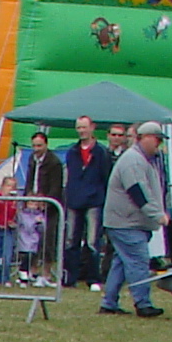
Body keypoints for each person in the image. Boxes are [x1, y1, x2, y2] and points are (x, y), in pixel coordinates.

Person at [99, 119, 168, 317]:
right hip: (127, 222)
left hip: (125, 221)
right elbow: (138, 192)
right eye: (156, 139)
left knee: (121, 263)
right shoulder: (133, 161)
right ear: (143, 138)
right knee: (138, 261)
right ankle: (142, 303)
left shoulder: (140, 159)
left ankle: (109, 302)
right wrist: (158, 215)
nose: (159, 144)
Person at [60, 114, 111, 285]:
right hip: (74, 200)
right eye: (79, 128)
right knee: (70, 241)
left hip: (94, 201)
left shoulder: (101, 152)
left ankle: (93, 278)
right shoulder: (72, 152)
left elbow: (106, 177)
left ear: (92, 127)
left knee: (92, 241)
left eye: (84, 127)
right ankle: (69, 278)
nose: (81, 131)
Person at [14, 128, 63, 279]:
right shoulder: (31, 159)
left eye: (39, 146)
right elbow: (29, 179)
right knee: (31, 238)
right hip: (32, 205)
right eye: (34, 145)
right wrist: (28, 197)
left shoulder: (54, 162)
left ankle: (47, 272)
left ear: (46, 145)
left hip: (49, 205)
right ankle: (32, 270)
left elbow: (57, 185)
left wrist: (46, 201)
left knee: (48, 239)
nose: (36, 149)